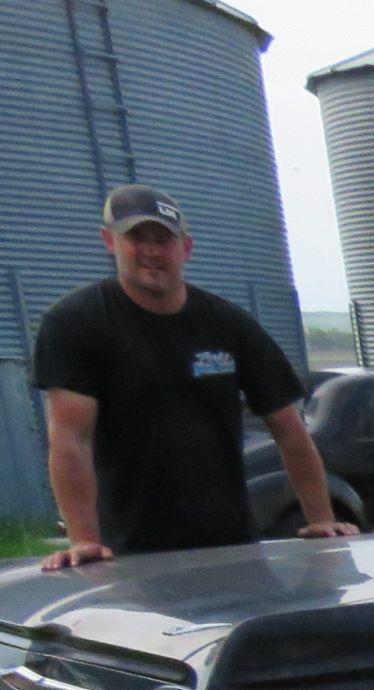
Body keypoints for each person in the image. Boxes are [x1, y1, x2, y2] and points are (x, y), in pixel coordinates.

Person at [30, 184, 357, 572]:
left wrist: (320, 518)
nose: (152, 251)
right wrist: (84, 540)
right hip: (128, 557)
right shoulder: (76, 324)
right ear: (109, 241)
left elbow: (288, 429)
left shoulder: (227, 325)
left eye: (163, 239)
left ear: (186, 247)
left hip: (232, 549)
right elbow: (70, 439)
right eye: (137, 238)